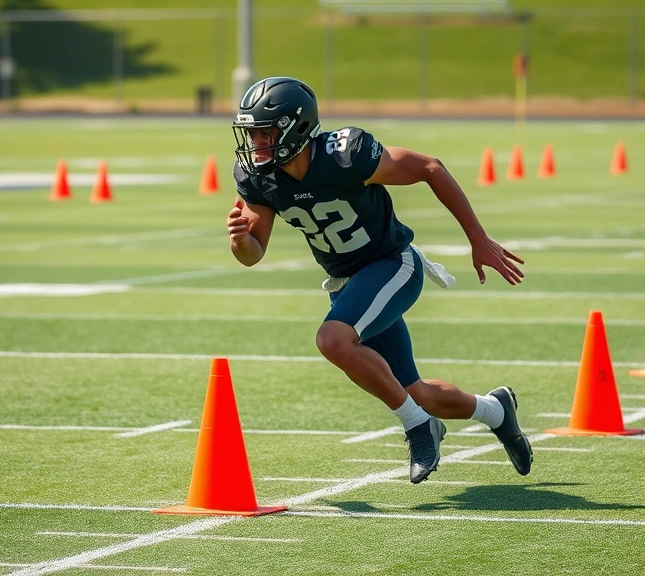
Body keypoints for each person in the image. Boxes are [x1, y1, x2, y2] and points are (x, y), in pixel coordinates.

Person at [226, 77, 532, 484]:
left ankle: (417, 426)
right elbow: (253, 254)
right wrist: (240, 240)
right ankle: (496, 410)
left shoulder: (344, 156)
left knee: (333, 340)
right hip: (348, 283)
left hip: (393, 264)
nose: (257, 143)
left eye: (266, 132)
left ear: (295, 128)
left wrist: (478, 239)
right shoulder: (259, 177)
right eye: (252, 133)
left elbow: (429, 167)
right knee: (417, 392)